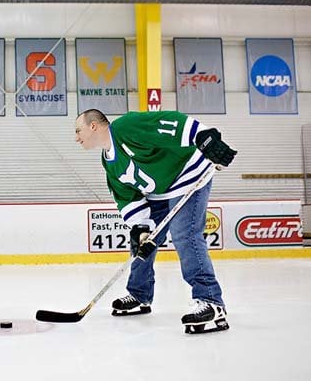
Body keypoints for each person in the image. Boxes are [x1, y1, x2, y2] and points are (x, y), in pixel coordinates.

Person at [75, 109, 236, 334]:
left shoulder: (125, 127)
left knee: (185, 235)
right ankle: (140, 295)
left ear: (93, 126)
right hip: (159, 193)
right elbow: (126, 196)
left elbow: (167, 124)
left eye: (78, 130)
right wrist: (141, 229)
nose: (76, 137)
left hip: (187, 174)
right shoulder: (109, 162)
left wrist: (202, 137)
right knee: (142, 244)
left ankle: (211, 301)